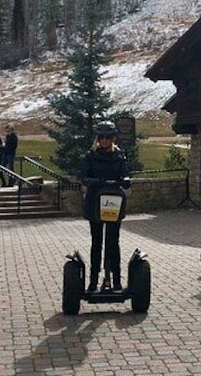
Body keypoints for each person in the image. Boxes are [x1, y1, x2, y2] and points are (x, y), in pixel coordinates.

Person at [80, 121, 131, 292]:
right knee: (97, 243)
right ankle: (93, 281)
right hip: (95, 203)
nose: (104, 140)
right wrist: (95, 181)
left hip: (114, 203)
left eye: (107, 137)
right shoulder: (90, 156)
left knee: (113, 242)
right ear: (97, 139)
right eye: (101, 137)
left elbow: (125, 173)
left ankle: (115, 280)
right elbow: (84, 177)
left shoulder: (119, 156)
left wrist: (126, 179)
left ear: (113, 138)